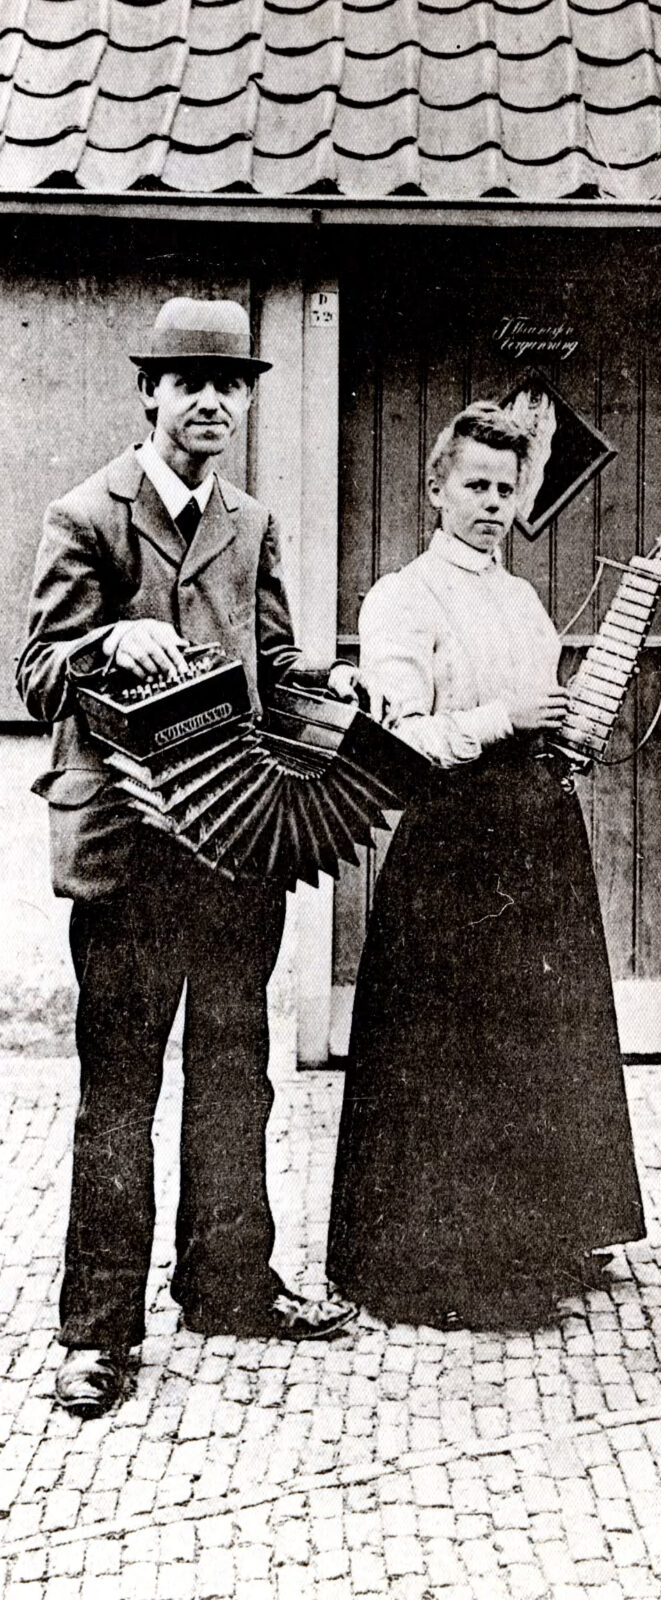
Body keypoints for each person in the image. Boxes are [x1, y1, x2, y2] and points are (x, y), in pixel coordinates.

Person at [17, 298, 359, 1418]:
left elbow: (273, 664)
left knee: (233, 1070)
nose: (211, 401)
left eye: (230, 386)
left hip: (231, 843)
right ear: (148, 395)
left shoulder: (251, 524)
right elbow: (34, 674)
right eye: (188, 383)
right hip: (125, 847)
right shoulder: (85, 516)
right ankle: (96, 1331)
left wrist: (332, 688)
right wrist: (106, 637)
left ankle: (228, 1284)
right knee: (119, 1087)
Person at [327, 401, 645, 1329]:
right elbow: (399, 739)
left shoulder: (521, 598)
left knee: (539, 1035)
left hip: (537, 834)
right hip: (454, 846)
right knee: (455, 1050)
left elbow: (543, 704)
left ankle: (544, 1233)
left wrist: (571, 723)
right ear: (435, 489)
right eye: (475, 486)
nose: (493, 505)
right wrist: (502, 720)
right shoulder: (402, 598)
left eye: (507, 489)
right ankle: (449, 1264)